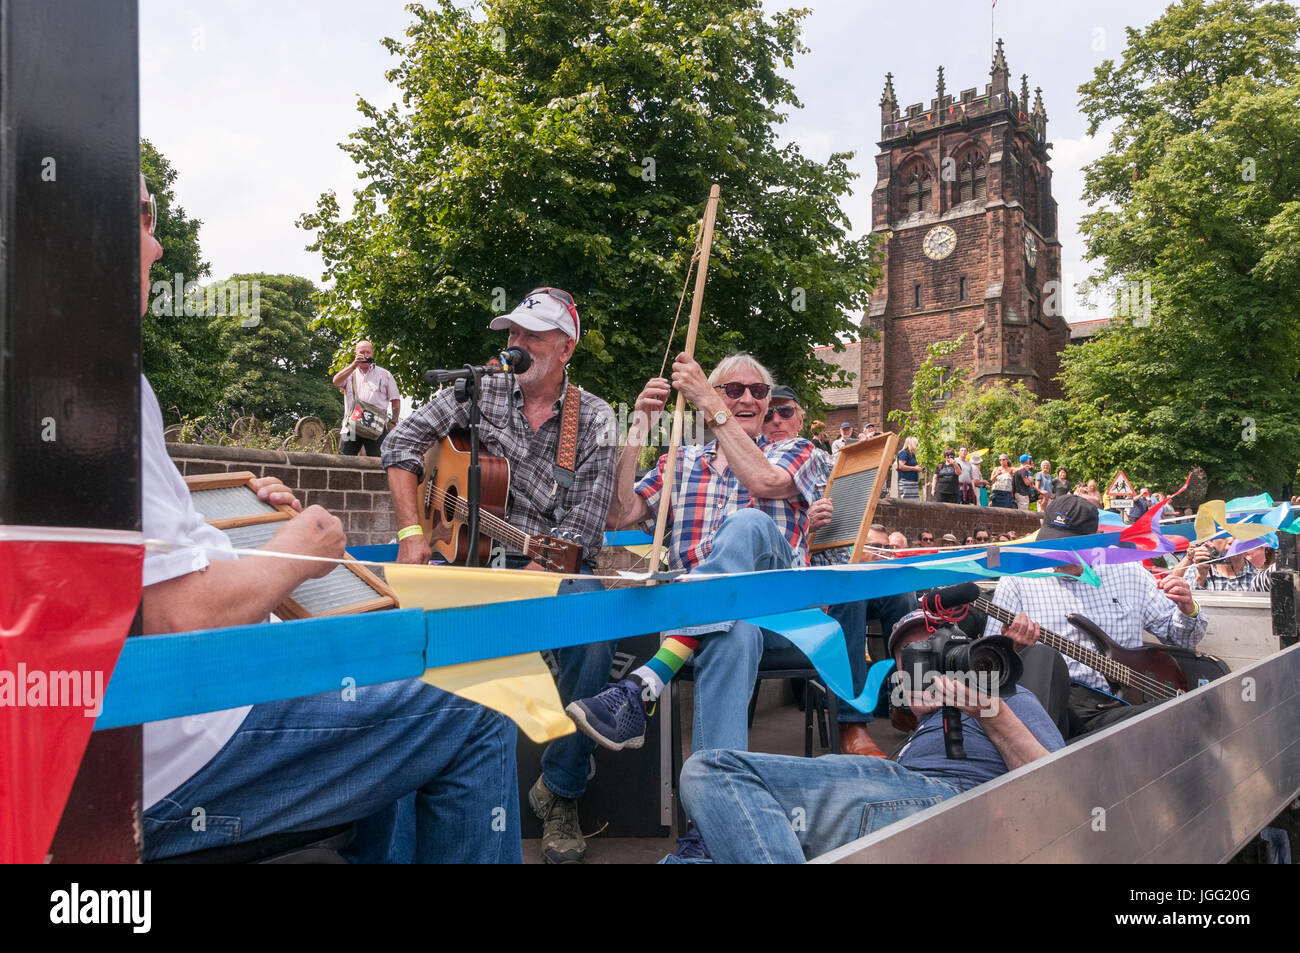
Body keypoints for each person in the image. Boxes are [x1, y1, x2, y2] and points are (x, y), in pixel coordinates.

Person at [136, 176, 518, 864]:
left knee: (384, 651)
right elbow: (171, 620)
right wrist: (299, 545)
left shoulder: (594, 422)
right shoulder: (100, 386)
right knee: (479, 693)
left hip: (171, 712)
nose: (159, 246)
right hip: (173, 743)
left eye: (533, 340)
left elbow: (131, 537)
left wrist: (234, 508)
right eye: (141, 217)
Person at [382, 287, 619, 865]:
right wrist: (415, 531)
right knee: (402, 621)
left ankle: (559, 790)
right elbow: (401, 441)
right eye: (512, 334)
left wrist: (536, 569)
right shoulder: (478, 388)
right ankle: (404, 787)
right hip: (465, 555)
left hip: (550, 562)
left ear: (565, 348)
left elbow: (584, 529)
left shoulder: (595, 418)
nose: (516, 345)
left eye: (532, 336)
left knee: (591, 628)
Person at [568, 353, 823, 855]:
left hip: (778, 609)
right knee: (734, 635)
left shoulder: (795, 450)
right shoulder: (680, 462)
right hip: (717, 625)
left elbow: (765, 485)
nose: (748, 399)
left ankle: (647, 681)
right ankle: (709, 832)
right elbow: (620, 511)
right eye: (733, 391)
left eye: (759, 391)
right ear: (714, 401)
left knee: (748, 524)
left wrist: (708, 396)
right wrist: (638, 428)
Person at [677, 609, 1065, 863]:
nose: (924, 657)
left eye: (935, 642)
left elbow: (1062, 794)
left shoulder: (1007, 696)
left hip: (952, 804)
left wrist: (985, 710)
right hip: (888, 811)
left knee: (712, 771)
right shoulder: (916, 735)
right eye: (911, 654)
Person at [983, 494, 1207, 740]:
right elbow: (990, 666)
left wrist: (1188, 610)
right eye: (1054, 544)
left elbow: (1181, 639)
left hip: (1121, 705)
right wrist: (1015, 648)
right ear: (1041, 530)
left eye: (1075, 546)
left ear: (1098, 537)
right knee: (1042, 660)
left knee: (1181, 713)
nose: (1064, 554)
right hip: (1050, 704)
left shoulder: (1129, 573)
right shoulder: (1017, 580)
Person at [333, 340, 401, 457]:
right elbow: (336, 381)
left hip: (376, 425)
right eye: (362, 352)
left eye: (368, 352)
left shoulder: (385, 375)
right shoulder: (349, 373)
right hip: (351, 425)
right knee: (343, 462)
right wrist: (353, 365)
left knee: (378, 463)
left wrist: (393, 422)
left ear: (372, 354)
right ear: (355, 354)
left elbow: (395, 400)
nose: (365, 355)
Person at [1175, 537, 1273, 592]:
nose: (1231, 540)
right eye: (1225, 535)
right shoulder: (1195, 571)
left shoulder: (1258, 577)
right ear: (1210, 541)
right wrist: (1201, 577)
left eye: (1237, 535)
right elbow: (1188, 614)